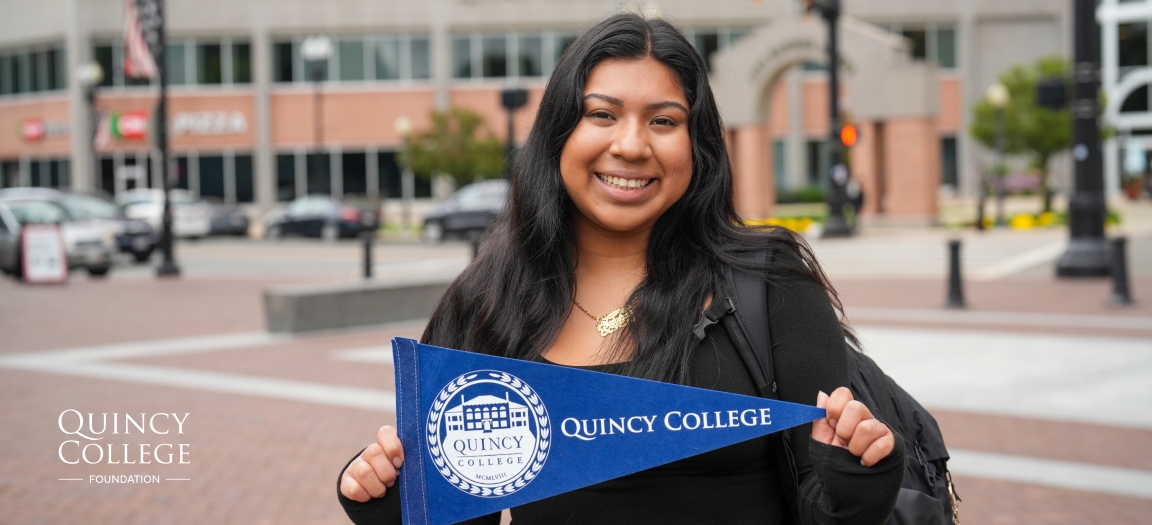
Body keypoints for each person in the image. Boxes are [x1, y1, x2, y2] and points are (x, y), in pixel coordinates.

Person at [338, 12, 904, 524]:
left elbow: (828, 506)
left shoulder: (769, 283)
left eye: (663, 122)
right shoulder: (487, 302)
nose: (631, 146)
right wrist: (389, 500)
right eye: (602, 115)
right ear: (559, 133)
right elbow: (459, 511)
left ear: (697, 145)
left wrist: (862, 475)